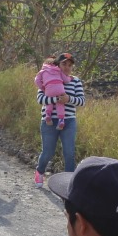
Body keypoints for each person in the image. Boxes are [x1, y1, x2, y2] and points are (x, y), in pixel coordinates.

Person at [34, 52, 85, 187]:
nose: (67, 67)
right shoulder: (47, 76)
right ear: (58, 64)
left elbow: (81, 101)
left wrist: (68, 99)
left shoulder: (75, 81)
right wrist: (56, 99)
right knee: (48, 152)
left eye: (70, 65)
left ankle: (69, 184)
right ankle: (39, 171)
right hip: (49, 121)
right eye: (64, 64)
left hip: (69, 121)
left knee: (69, 152)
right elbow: (40, 99)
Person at [35, 56, 69, 130]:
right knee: (60, 103)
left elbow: (36, 81)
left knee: (49, 101)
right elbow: (66, 80)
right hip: (60, 89)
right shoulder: (58, 70)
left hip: (48, 89)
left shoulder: (42, 71)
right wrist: (69, 78)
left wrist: (43, 88)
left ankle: (48, 115)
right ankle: (61, 120)